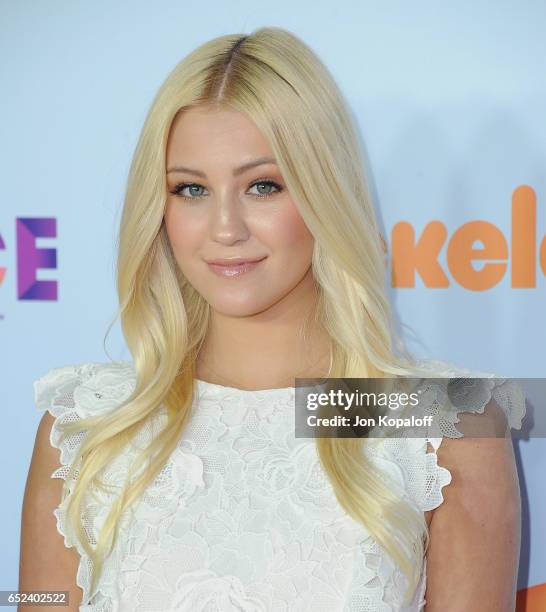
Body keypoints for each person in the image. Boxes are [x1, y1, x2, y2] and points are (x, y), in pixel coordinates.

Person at [19, 26, 525, 611]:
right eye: (190, 189)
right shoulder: (86, 428)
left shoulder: (446, 421)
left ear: (323, 192)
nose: (225, 228)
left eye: (263, 186)